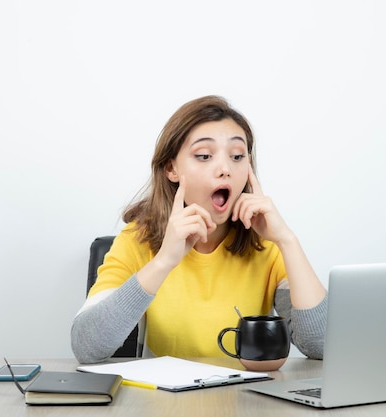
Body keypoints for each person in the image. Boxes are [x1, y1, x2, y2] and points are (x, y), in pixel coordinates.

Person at [71, 95, 327, 363]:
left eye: (237, 156)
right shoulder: (137, 240)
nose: (225, 169)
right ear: (171, 168)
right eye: (204, 156)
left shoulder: (266, 243)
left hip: (247, 400)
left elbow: (320, 346)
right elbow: (86, 346)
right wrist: (164, 262)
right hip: (162, 401)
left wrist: (287, 240)